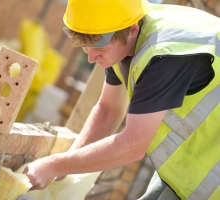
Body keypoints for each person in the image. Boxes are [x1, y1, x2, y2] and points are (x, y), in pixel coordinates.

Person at [23, 0, 220, 199]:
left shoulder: (166, 55)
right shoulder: (119, 33)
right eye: (85, 45)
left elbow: (133, 146)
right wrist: (60, 171)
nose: (91, 58)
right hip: (190, 170)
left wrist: (54, 166)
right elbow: (108, 111)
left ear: (132, 30)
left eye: (98, 46)